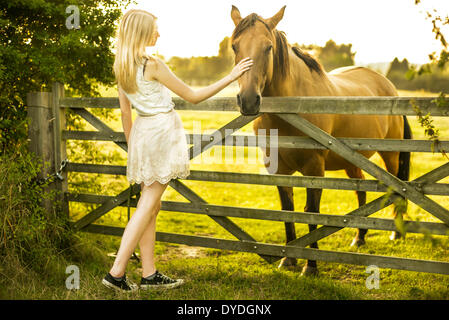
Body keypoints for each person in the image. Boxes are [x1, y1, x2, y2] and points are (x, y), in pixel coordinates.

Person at [102, 9, 253, 292]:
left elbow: (126, 113)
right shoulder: (152, 64)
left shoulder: (121, 66)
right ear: (142, 33)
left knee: (151, 205)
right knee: (148, 202)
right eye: (154, 29)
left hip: (143, 133)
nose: (158, 34)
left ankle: (149, 274)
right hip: (160, 132)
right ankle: (117, 272)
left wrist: (134, 144)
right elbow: (193, 96)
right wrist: (232, 76)